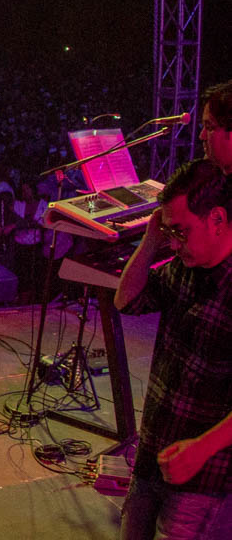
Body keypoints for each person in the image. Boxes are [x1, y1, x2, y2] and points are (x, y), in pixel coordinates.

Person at [116, 152, 232, 540]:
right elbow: (126, 301)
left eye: (181, 231)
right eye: (171, 233)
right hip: (151, 457)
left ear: (217, 219)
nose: (176, 243)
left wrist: (200, 448)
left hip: (203, 479)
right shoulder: (183, 266)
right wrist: (152, 239)